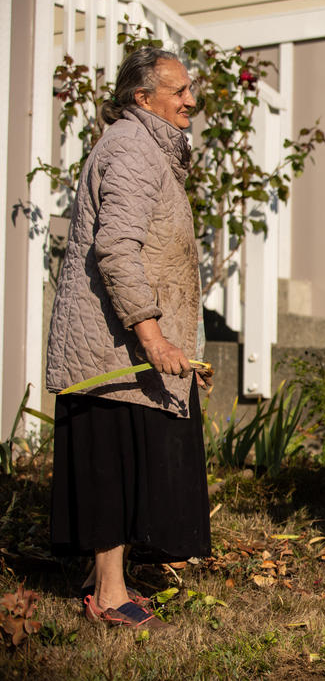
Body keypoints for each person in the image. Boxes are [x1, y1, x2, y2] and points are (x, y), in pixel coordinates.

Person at [46, 47, 212, 632]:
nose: (191, 99)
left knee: (118, 462)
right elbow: (115, 248)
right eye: (180, 90)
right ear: (144, 99)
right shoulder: (134, 149)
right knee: (112, 466)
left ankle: (103, 578)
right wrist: (153, 336)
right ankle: (109, 593)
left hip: (119, 343)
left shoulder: (142, 147)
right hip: (113, 348)